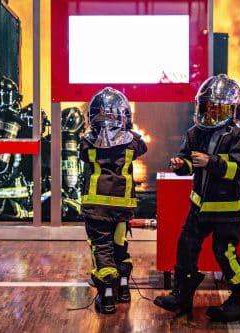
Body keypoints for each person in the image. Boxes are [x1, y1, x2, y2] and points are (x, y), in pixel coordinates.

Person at [153, 74, 240, 322]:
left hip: (226, 210)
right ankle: (182, 295)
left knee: (226, 253)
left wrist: (212, 162)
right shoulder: (194, 133)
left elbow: (239, 170)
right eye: (207, 107)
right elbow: (188, 163)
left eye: (217, 109)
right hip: (199, 207)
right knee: (186, 248)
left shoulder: (235, 135)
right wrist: (181, 164)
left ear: (231, 110)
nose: (210, 114)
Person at [80, 87, 148, 314]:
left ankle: (107, 297)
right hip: (122, 207)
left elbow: (84, 151)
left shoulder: (87, 142)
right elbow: (142, 145)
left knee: (101, 247)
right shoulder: (132, 143)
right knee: (119, 245)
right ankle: (123, 287)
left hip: (96, 208)